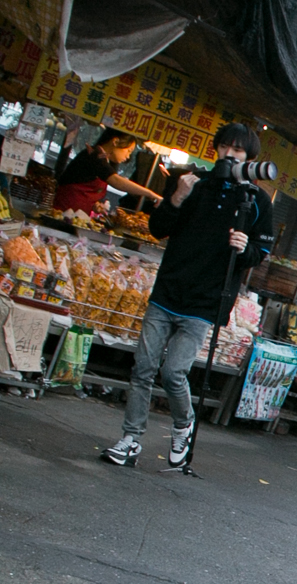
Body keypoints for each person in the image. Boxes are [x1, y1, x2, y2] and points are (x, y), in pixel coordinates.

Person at [100, 123, 274, 472]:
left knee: (173, 372)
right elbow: (157, 227)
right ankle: (131, 439)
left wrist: (245, 249)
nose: (229, 154)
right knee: (143, 369)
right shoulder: (191, 182)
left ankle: (183, 426)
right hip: (167, 291)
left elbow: (262, 250)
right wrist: (176, 198)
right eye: (224, 147)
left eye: (238, 150)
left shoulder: (257, 201)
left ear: (249, 158)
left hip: (205, 301)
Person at [53, 128, 162, 216]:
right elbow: (116, 181)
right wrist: (150, 193)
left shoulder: (102, 159)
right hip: (62, 212)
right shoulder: (95, 156)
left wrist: (94, 203)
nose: (127, 156)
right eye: (128, 151)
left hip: (74, 215)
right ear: (115, 141)